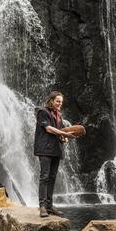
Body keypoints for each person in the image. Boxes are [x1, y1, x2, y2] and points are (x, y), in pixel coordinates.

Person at [34, 90, 75, 218]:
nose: (59, 104)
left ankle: (49, 206)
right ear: (51, 100)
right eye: (57, 101)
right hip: (45, 149)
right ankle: (42, 206)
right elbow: (49, 129)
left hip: (56, 150)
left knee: (52, 178)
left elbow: (62, 131)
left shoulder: (59, 115)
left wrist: (65, 138)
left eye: (61, 102)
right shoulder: (42, 112)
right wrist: (63, 134)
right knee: (44, 177)